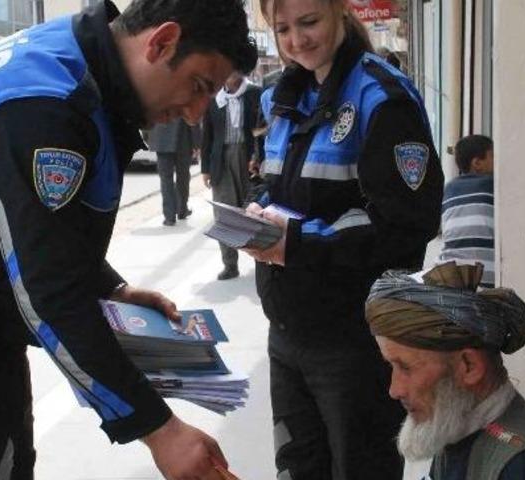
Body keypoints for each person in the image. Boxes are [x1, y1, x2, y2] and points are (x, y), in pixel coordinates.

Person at [0, 1, 257, 478]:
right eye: (198, 86)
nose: (196, 114)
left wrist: (111, 288)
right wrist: (161, 430)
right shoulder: (40, 101)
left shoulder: (71, 62)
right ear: (162, 41)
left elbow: (37, 225)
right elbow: (47, 289)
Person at [243, 0, 444, 478]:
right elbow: (274, 180)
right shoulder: (281, 96)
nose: (297, 40)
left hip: (355, 341)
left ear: (339, 11)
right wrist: (257, 209)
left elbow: (406, 228)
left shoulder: (384, 98)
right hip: (287, 332)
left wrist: (297, 242)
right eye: (283, 28)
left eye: (309, 22)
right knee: (297, 467)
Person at [365, 262, 525, 480]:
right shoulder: (457, 422)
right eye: (390, 366)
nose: (395, 390)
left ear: (470, 366)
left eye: (405, 367)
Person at [201, 72, 263, 280]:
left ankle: (261, 261)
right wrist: (206, 168)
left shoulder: (255, 93)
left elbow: (262, 130)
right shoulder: (214, 98)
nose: (229, 74)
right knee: (224, 212)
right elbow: (207, 135)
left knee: (254, 211)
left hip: (249, 159)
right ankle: (230, 264)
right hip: (222, 160)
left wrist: (259, 156)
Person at [438, 134, 495, 287]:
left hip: (450, 276)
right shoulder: (492, 185)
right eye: (493, 156)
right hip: (486, 277)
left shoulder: (449, 189)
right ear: (477, 163)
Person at [149, 118, 199, 226]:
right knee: (183, 177)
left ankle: (169, 216)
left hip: (161, 138)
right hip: (183, 138)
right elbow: (192, 113)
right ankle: (182, 210)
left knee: (166, 179)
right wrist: (196, 142)